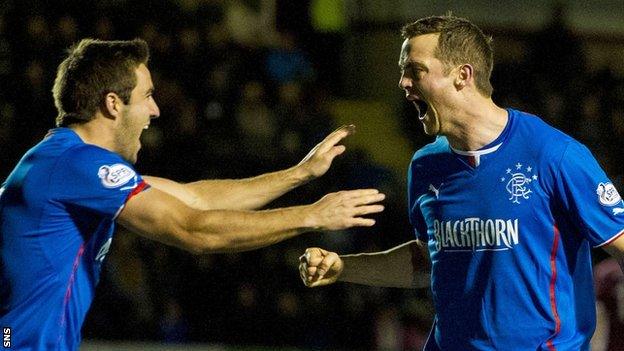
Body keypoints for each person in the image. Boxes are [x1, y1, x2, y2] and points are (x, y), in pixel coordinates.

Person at [0, 38, 385, 351]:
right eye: (147, 95)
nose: (155, 110)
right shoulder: (77, 165)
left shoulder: (66, 162)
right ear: (113, 104)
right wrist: (312, 216)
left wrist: (299, 174)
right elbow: (194, 230)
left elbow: (194, 199)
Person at [299, 14, 624, 350]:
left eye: (415, 70)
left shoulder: (554, 155)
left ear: (462, 75)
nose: (403, 83)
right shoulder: (426, 165)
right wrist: (343, 268)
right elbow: (427, 260)